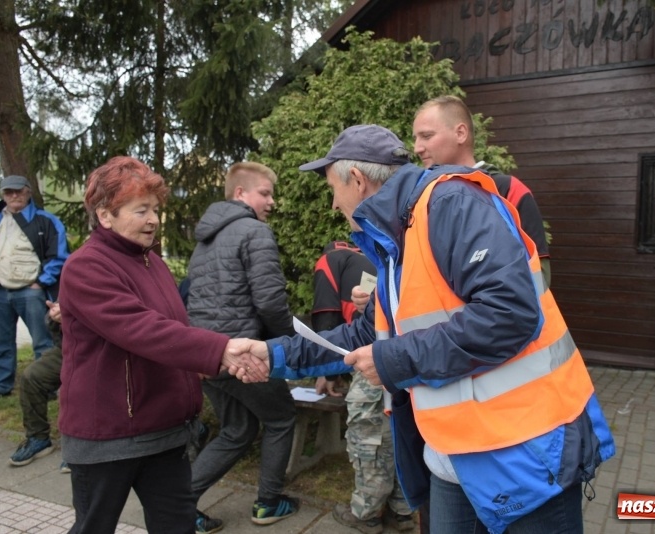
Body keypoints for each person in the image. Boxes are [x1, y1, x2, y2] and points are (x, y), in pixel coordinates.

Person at [230, 125, 616, 534]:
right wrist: (272, 355)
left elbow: (509, 313)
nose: (331, 204)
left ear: (358, 181)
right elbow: (364, 334)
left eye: (332, 189)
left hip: (525, 453)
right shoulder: (399, 240)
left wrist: (392, 359)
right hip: (454, 458)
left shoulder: (450, 204)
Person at [58, 156, 258, 534]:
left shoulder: (153, 262)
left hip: (164, 429)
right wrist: (219, 349)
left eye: (155, 209)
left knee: (178, 527)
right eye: (141, 210)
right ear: (105, 216)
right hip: (108, 435)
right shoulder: (86, 267)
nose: (153, 219)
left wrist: (204, 361)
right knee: (94, 527)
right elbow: (142, 330)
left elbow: (174, 329)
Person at [186, 161, 299, 532]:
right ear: (240, 194)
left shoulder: (204, 241)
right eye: (265, 193)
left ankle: (181, 505)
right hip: (243, 354)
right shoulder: (254, 231)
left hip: (205, 354)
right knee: (282, 418)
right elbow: (269, 302)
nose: (271, 201)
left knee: (237, 430)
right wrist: (290, 344)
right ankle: (268, 503)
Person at [312, 241, 413, 533]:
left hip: (373, 362)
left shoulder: (327, 262)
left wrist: (327, 375)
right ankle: (403, 512)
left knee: (367, 435)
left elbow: (327, 321)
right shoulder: (379, 258)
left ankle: (365, 513)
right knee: (398, 434)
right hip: (404, 357)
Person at [412, 95, 552, 286]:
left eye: (427, 136)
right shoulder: (420, 199)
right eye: (416, 138)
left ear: (460, 133)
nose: (417, 148)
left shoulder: (508, 191)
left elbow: (539, 277)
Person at [0, 175, 69, 399]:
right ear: (2, 195)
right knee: (1, 342)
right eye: (8, 192)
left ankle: (47, 387)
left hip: (29, 291)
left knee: (43, 342)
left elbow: (59, 256)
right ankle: (1, 386)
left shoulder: (46, 220)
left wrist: (40, 283)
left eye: (18, 191)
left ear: (28, 192)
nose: (13, 196)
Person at [8, 299, 65, 468]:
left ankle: (81, 449)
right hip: (69, 348)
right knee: (32, 377)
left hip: (100, 350)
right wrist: (55, 317)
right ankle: (38, 438)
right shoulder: (76, 276)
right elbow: (56, 325)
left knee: (80, 385)